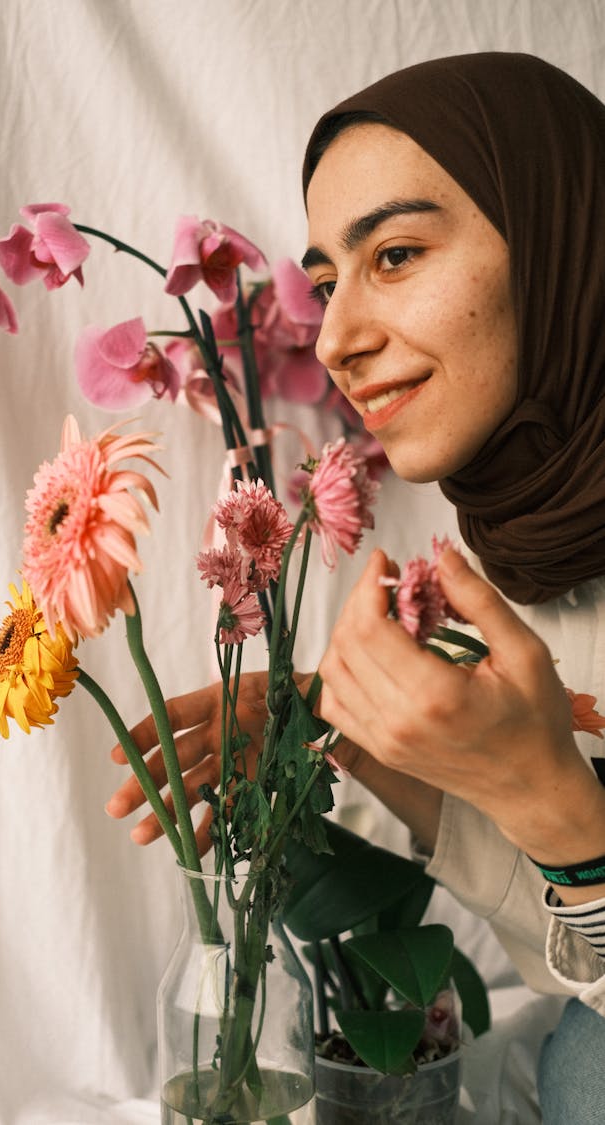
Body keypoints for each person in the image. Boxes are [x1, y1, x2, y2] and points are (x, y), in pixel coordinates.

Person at [107, 53, 605, 1121]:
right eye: (329, 281)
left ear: (565, 242)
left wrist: (561, 810)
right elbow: (583, 964)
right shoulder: (525, 544)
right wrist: (375, 745)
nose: (334, 339)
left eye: (398, 254)